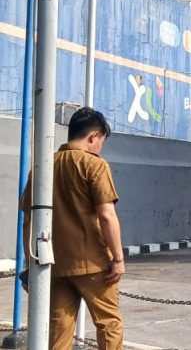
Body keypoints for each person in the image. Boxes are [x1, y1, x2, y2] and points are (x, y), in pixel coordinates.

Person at [20, 107, 125, 350]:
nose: (100, 148)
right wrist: (118, 258)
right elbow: (107, 216)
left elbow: (28, 221)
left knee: (58, 330)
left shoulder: (41, 167)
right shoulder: (94, 165)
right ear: (94, 136)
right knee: (109, 324)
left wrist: (29, 266)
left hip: (54, 265)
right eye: (101, 142)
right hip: (95, 264)